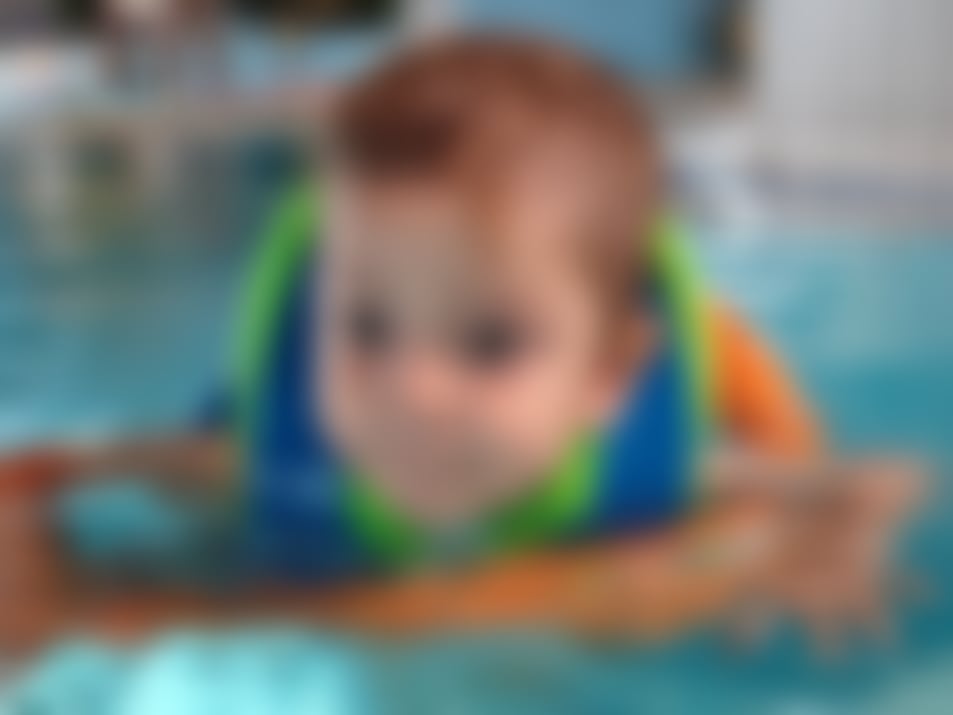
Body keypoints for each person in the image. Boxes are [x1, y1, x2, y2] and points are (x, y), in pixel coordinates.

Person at [0, 36, 920, 652]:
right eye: (365, 327)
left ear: (605, 377)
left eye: (488, 343)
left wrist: (834, 538)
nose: (411, 388)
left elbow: (878, 479)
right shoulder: (261, 462)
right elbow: (41, 471)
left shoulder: (657, 471)